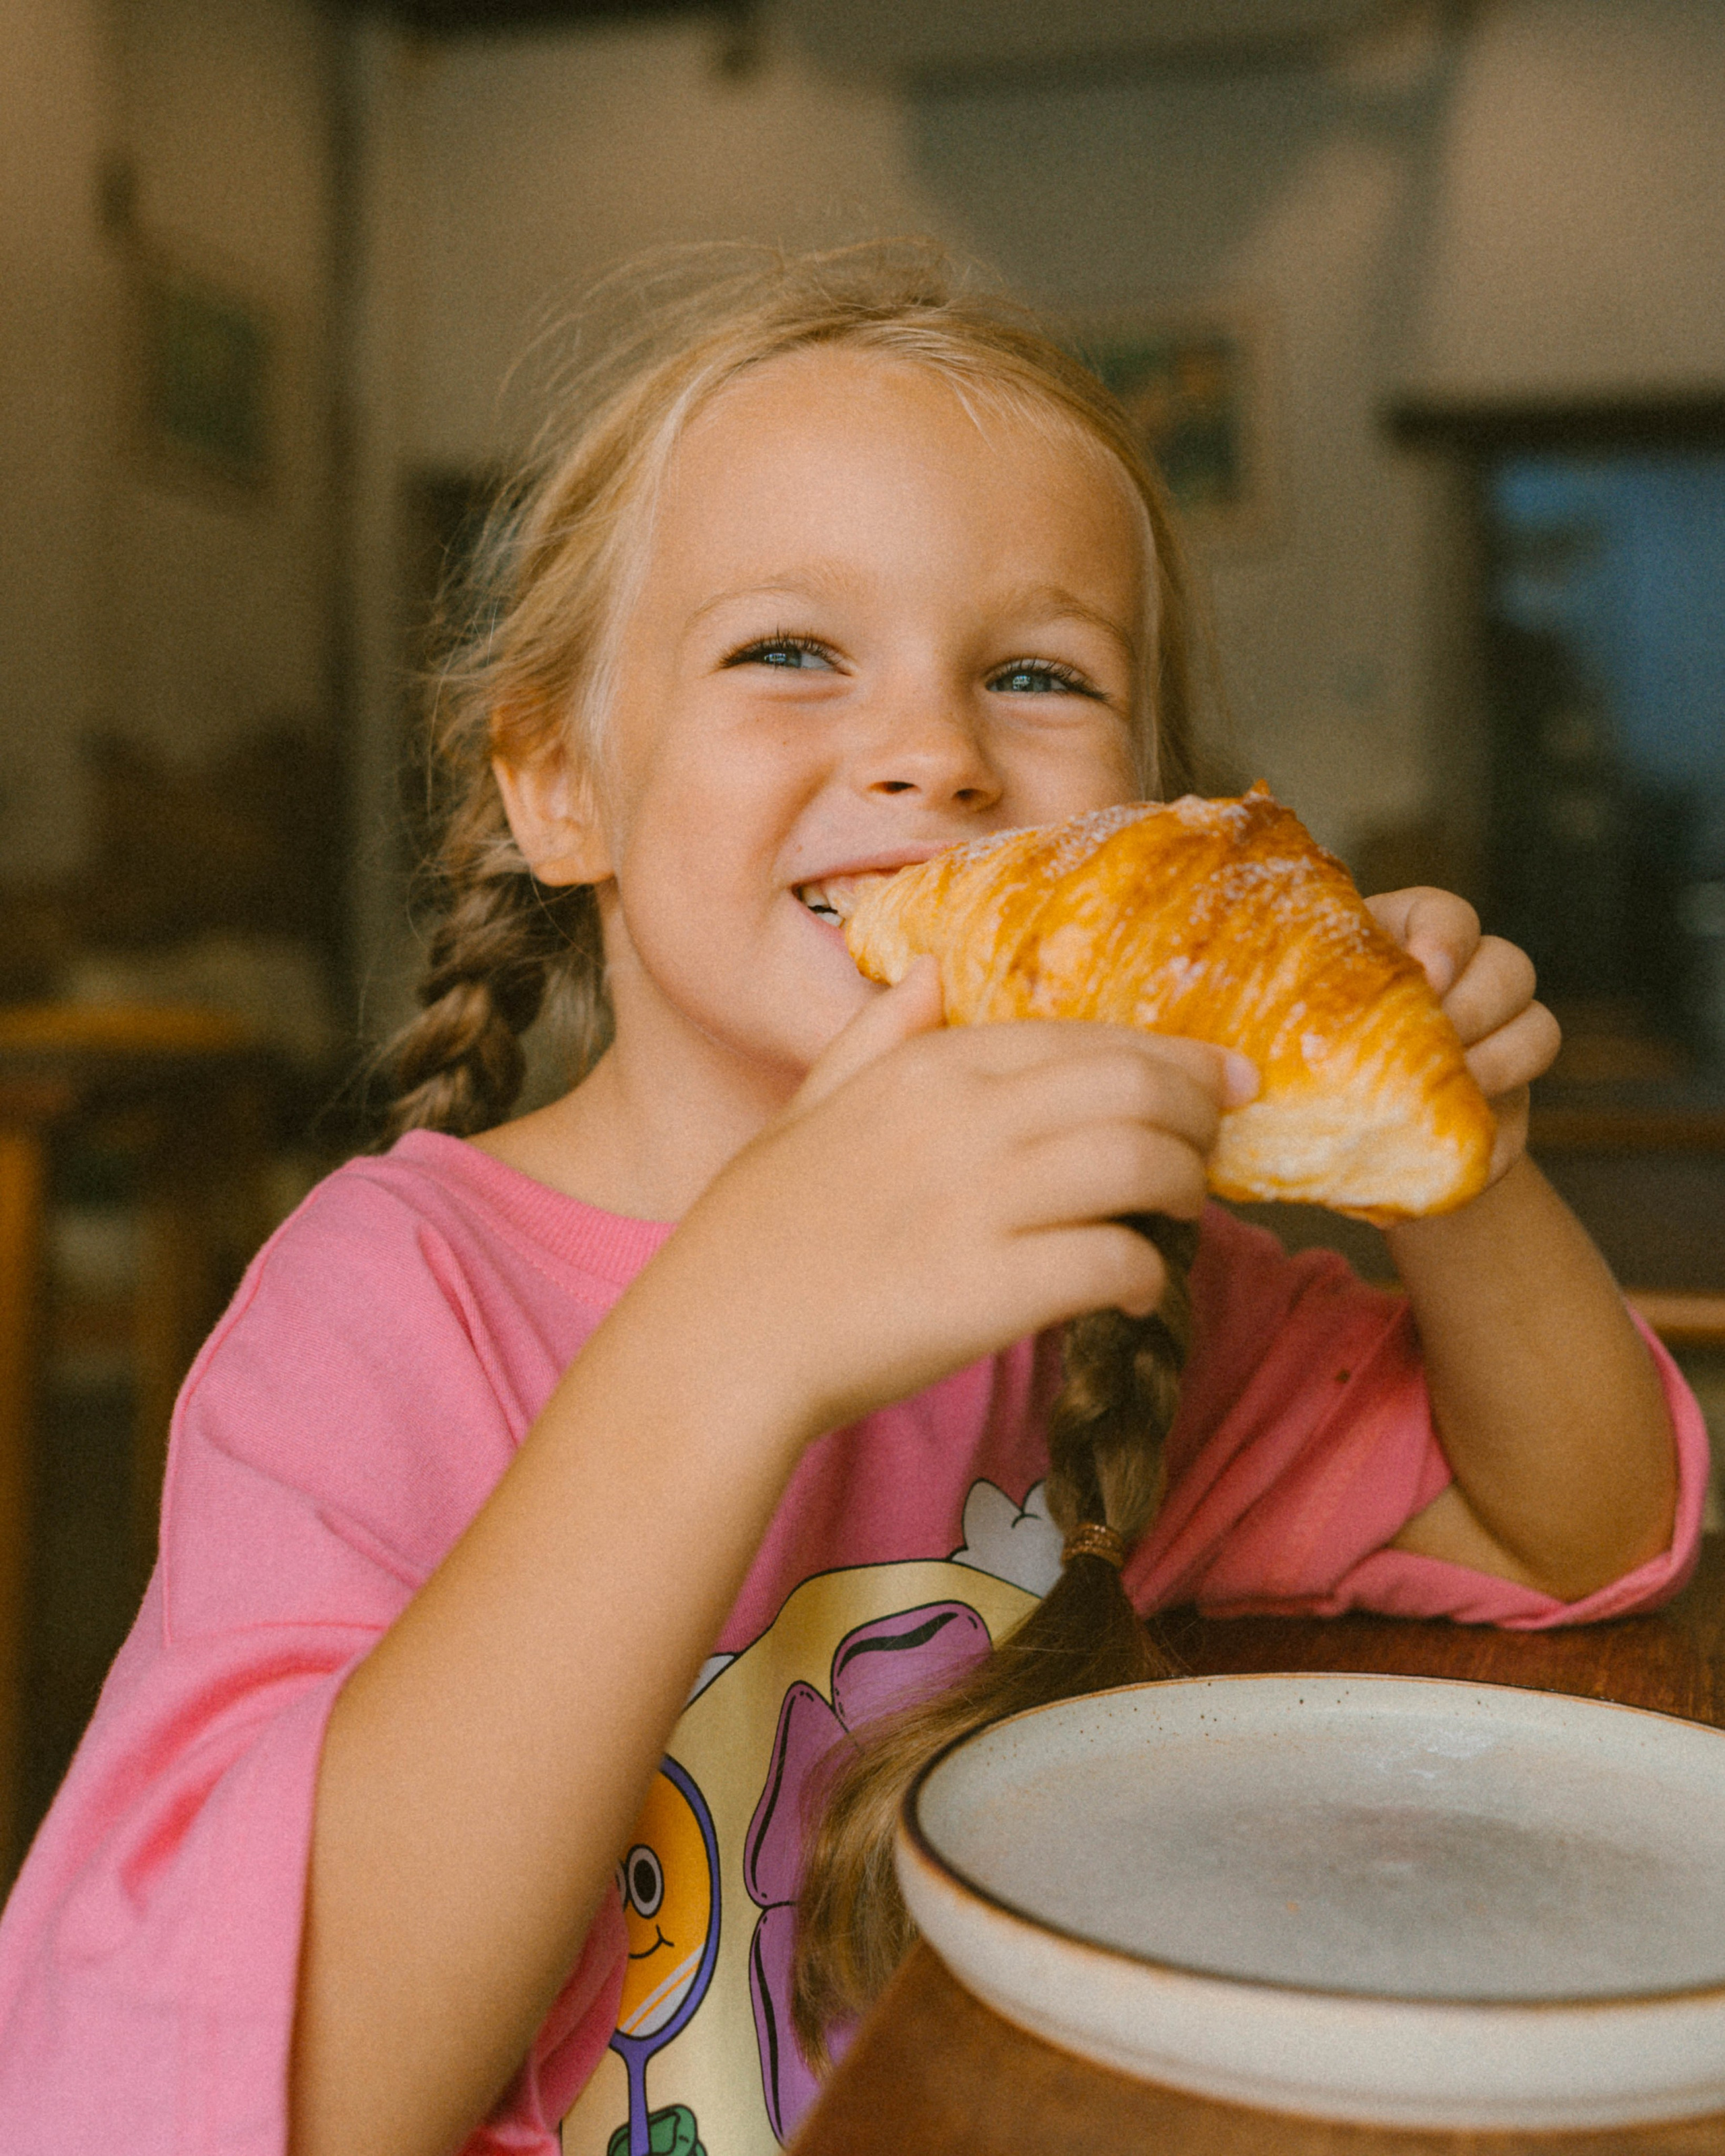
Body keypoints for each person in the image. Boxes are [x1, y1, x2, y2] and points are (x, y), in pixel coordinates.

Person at [0, 243, 1705, 2156]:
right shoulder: (388, 1302)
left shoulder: (1104, 1273)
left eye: (1041, 674)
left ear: (1149, 819)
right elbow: (251, 2094)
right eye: (789, 649)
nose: (936, 753)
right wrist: (734, 1337)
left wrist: (1446, 1157)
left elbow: (1581, 1526)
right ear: (561, 783)